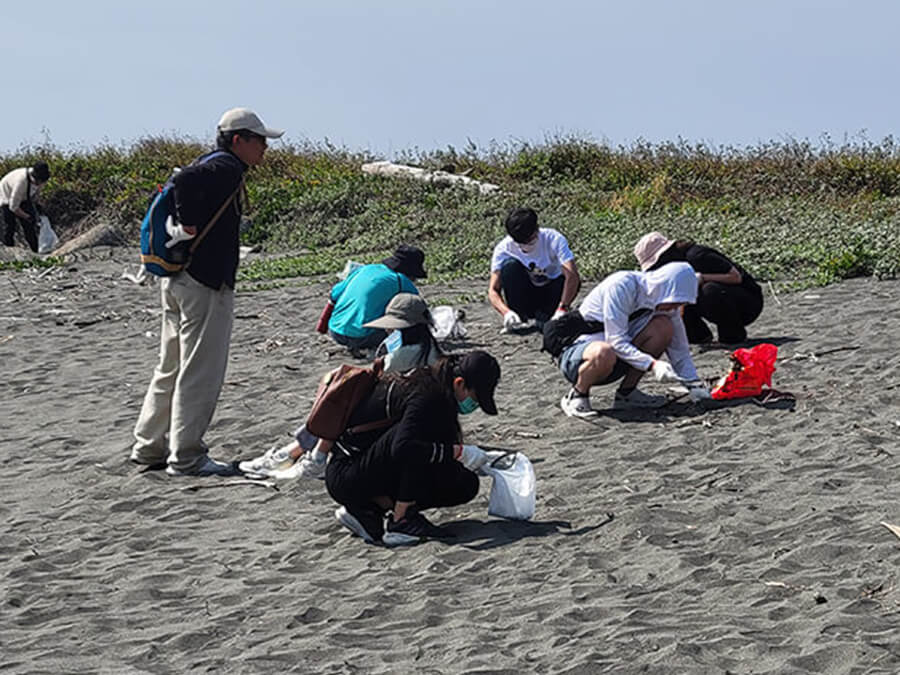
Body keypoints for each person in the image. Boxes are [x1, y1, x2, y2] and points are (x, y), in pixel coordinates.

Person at [130, 108, 284, 477]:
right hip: (203, 282)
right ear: (238, 140)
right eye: (259, 140)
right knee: (200, 370)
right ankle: (187, 456)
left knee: (170, 365)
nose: (265, 147)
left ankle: (149, 446)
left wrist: (187, 227)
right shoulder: (226, 167)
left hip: (177, 278)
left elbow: (185, 178)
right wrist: (189, 224)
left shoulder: (212, 161)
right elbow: (186, 182)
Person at [239, 292, 443, 479]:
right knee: (341, 403)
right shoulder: (432, 350)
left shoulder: (402, 355)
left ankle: (308, 456)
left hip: (396, 417)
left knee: (339, 405)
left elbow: (377, 379)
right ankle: (297, 453)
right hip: (411, 414)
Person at [326, 350, 502, 546]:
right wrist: (459, 452)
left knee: (464, 483)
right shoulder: (429, 396)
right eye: (476, 399)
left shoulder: (436, 384)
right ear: (459, 383)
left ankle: (368, 510)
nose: (474, 406)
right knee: (423, 441)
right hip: (347, 473)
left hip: (360, 467)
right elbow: (403, 447)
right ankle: (402, 520)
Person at [558, 262, 711, 417]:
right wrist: (652, 365)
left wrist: (693, 383)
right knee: (604, 351)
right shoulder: (622, 286)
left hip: (617, 358)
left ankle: (627, 394)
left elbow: (680, 349)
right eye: (676, 301)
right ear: (667, 288)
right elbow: (616, 341)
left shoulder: (665, 303)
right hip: (581, 355)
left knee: (663, 327)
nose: (675, 307)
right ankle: (578, 394)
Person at [635, 232, 763, 344]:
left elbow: (736, 277)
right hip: (720, 299)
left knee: (709, 290)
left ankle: (733, 336)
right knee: (681, 299)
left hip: (748, 301)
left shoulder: (697, 256)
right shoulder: (677, 267)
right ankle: (700, 336)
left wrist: (702, 278)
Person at [488, 207, 580, 332]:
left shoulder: (554, 239)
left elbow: (572, 276)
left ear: (537, 229)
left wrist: (563, 307)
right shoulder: (504, 248)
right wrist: (506, 313)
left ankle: (548, 315)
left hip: (551, 293)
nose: (525, 246)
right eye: (520, 243)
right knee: (510, 267)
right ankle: (519, 317)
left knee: (568, 275)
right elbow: (493, 289)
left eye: (529, 241)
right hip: (525, 295)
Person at [322, 245, 427, 354]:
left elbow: (334, 295)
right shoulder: (401, 281)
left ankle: (353, 344)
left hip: (335, 331)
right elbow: (419, 310)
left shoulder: (365, 269)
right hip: (364, 337)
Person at [0, 161, 50, 252]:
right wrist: (26, 216)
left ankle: (36, 251)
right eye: (38, 182)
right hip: (6, 197)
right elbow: (13, 207)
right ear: (34, 177)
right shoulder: (21, 181)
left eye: (42, 182)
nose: (40, 184)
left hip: (24, 198)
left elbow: (35, 195)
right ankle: (9, 252)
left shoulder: (41, 179)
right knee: (9, 226)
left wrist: (38, 208)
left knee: (30, 227)